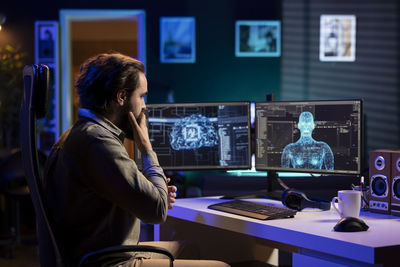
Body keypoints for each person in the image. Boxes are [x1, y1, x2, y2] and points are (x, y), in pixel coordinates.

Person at [43, 52, 230, 267]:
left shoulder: (80, 134)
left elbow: (123, 193)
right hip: (110, 262)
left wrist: (151, 192)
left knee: (189, 248)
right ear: (122, 97)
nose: (144, 106)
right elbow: (157, 212)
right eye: (141, 96)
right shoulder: (98, 142)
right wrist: (147, 149)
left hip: (99, 253)